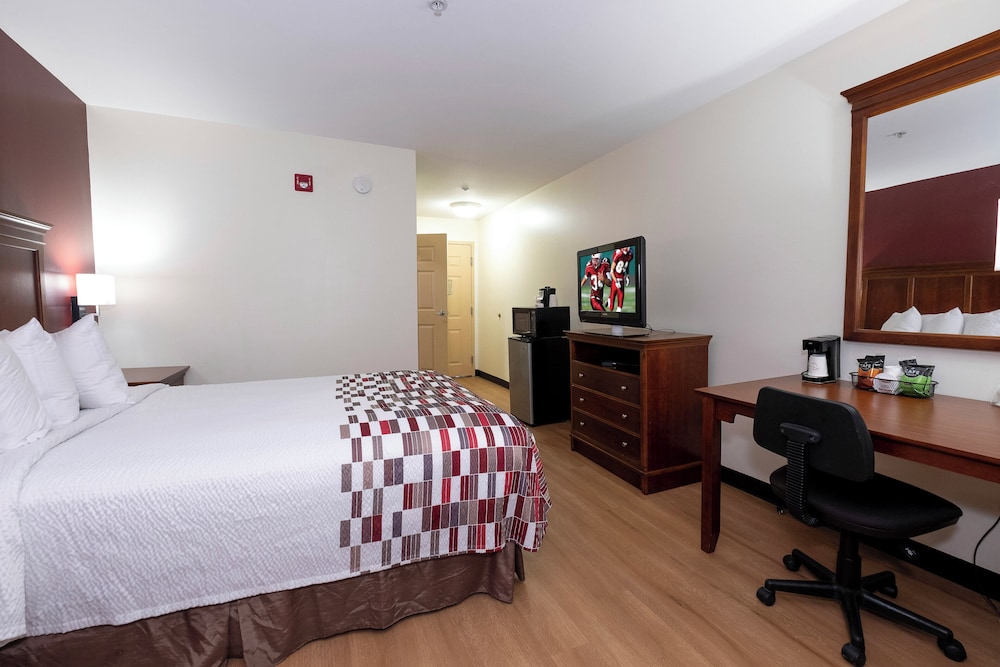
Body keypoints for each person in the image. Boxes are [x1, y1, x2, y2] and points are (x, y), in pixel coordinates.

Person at [607, 246, 634, 312]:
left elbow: (626, 265)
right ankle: (609, 299)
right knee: (612, 303)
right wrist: (616, 281)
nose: (626, 248)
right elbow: (611, 271)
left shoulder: (629, 255)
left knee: (620, 304)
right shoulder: (618, 254)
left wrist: (627, 275)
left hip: (621, 279)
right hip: (615, 279)